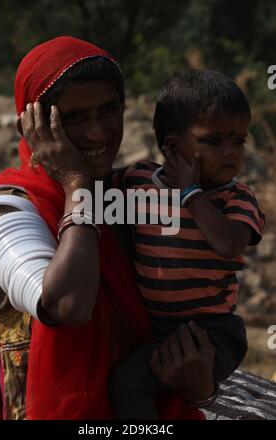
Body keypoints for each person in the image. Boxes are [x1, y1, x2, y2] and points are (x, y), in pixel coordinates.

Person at [0, 37, 213, 420]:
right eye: (73, 118)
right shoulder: (3, 211)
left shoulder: (128, 198)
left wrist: (201, 388)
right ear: (31, 125)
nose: (98, 133)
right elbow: (68, 304)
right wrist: (74, 181)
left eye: (109, 110)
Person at [108, 69, 265, 419]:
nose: (230, 152)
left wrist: (191, 195)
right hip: (155, 329)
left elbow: (228, 243)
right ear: (173, 147)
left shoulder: (235, 198)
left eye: (239, 141)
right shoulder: (137, 181)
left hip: (212, 334)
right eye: (213, 141)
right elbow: (92, 191)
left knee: (128, 383)